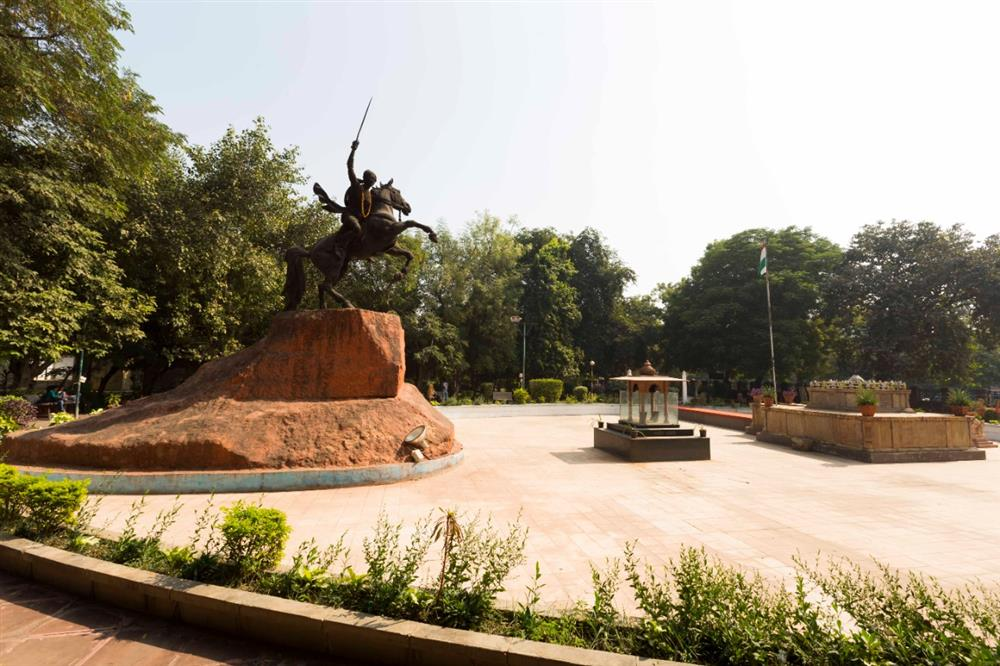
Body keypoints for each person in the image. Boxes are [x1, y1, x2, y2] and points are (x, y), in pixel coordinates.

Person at [342, 140, 378, 236]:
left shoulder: (370, 195)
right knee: (357, 228)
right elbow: (350, 167)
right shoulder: (356, 186)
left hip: (362, 219)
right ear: (365, 178)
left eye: (374, 180)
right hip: (349, 215)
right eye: (371, 178)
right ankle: (340, 246)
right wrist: (353, 150)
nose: (372, 181)